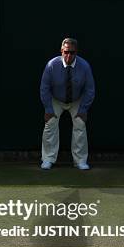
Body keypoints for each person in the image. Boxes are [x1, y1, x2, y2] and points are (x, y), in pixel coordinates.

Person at [40, 38, 95, 170]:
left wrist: (83, 109)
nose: (69, 55)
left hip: (76, 100)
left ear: (76, 52)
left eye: (72, 52)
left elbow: (90, 89)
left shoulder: (85, 66)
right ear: (61, 51)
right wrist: (48, 108)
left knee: (80, 124)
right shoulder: (51, 65)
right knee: (50, 124)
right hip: (56, 99)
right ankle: (47, 159)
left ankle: (80, 161)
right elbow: (44, 88)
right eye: (66, 52)